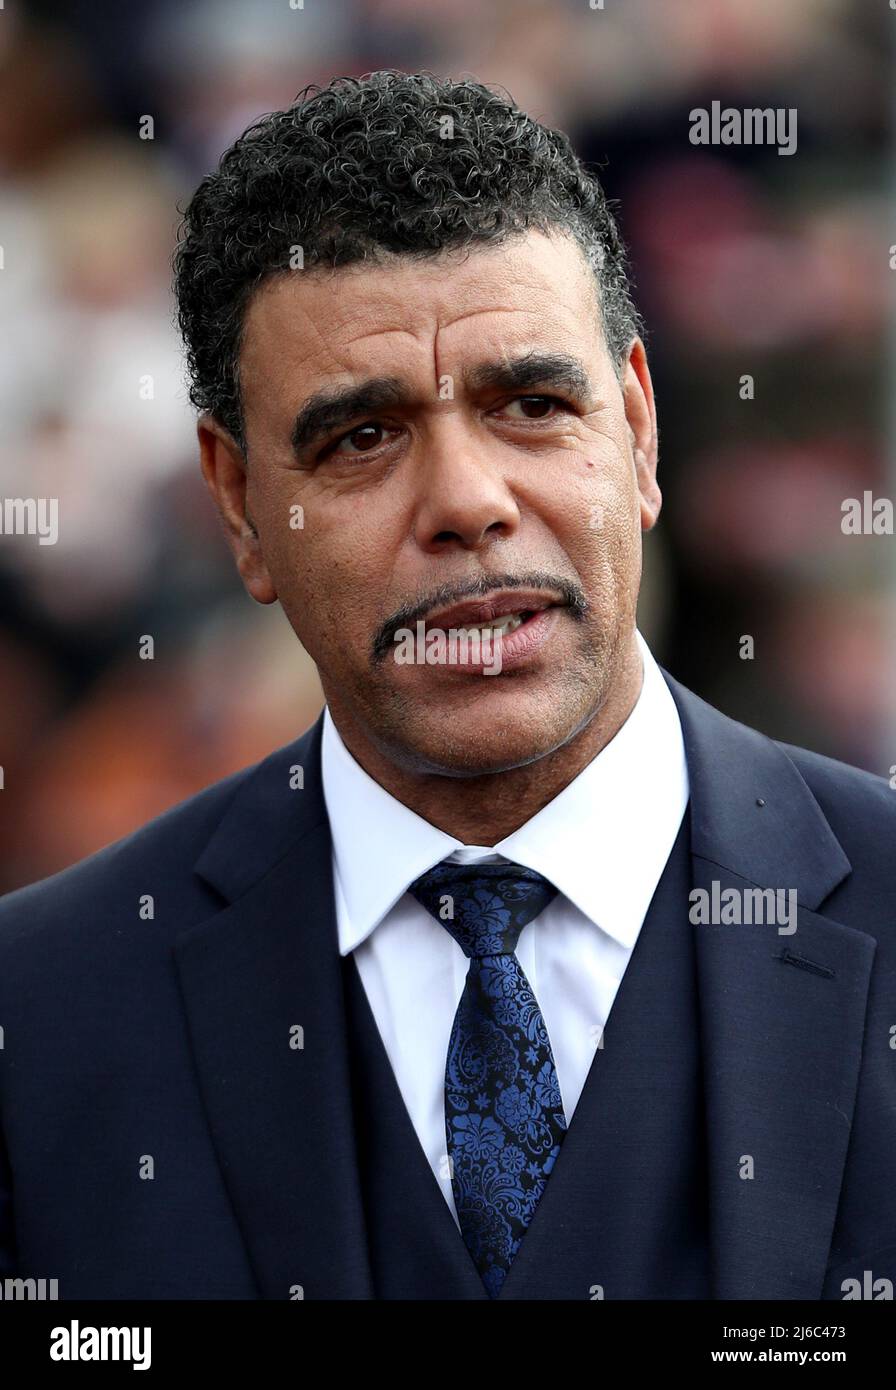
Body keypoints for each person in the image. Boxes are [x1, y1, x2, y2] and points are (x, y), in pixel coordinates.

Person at [0, 71, 893, 1302]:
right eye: (361, 436)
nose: (468, 500)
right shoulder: (42, 1013)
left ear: (635, 431)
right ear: (238, 505)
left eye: (530, 403)